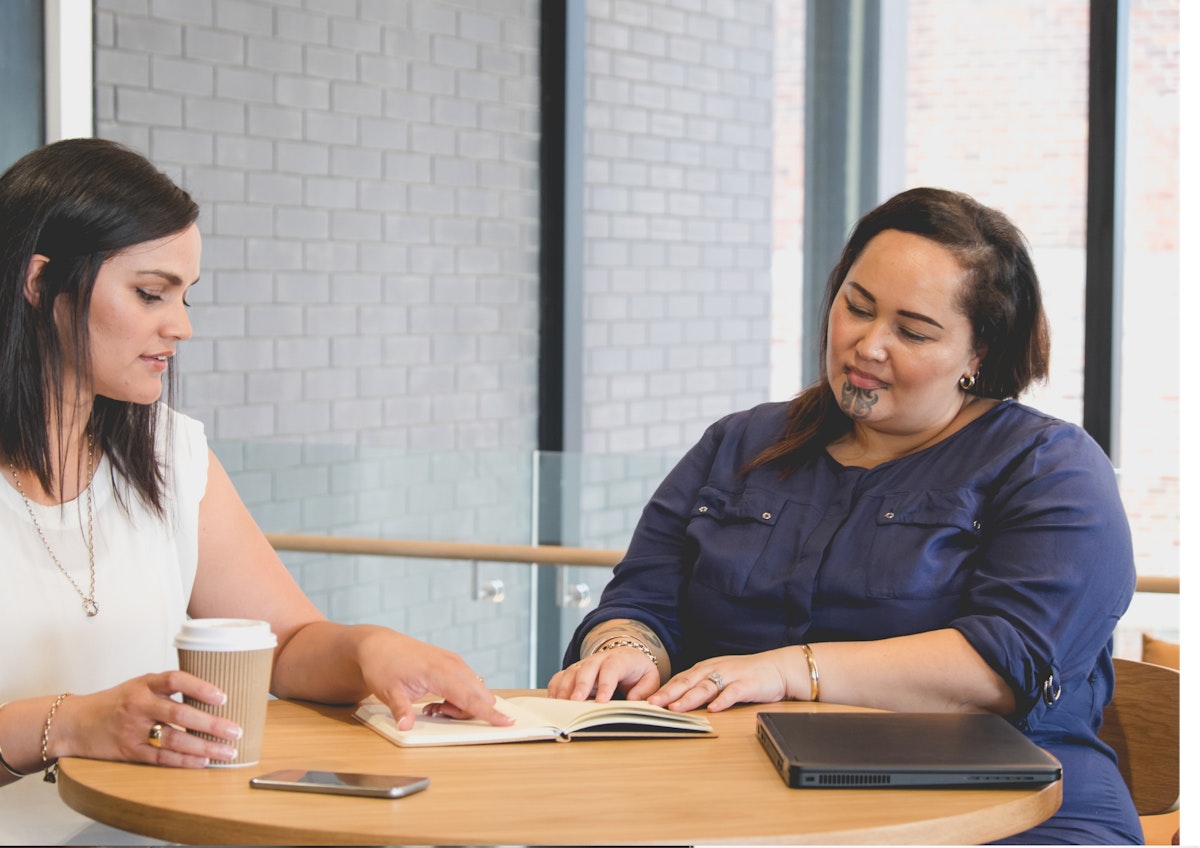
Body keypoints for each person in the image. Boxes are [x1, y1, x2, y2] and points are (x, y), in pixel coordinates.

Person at [549, 187, 1140, 844]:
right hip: (737, 793)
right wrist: (626, 648)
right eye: (856, 307)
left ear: (979, 355)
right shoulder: (739, 443)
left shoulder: (1050, 466)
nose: (867, 344)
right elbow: (643, 597)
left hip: (1002, 808)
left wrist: (788, 669)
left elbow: (1005, 665)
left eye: (912, 331)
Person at [0, 138, 512, 844]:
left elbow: (285, 643)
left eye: (184, 295)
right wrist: (67, 723)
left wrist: (370, 648)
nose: (180, 325)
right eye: (150, 293)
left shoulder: (168, 454)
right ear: (38, 283)